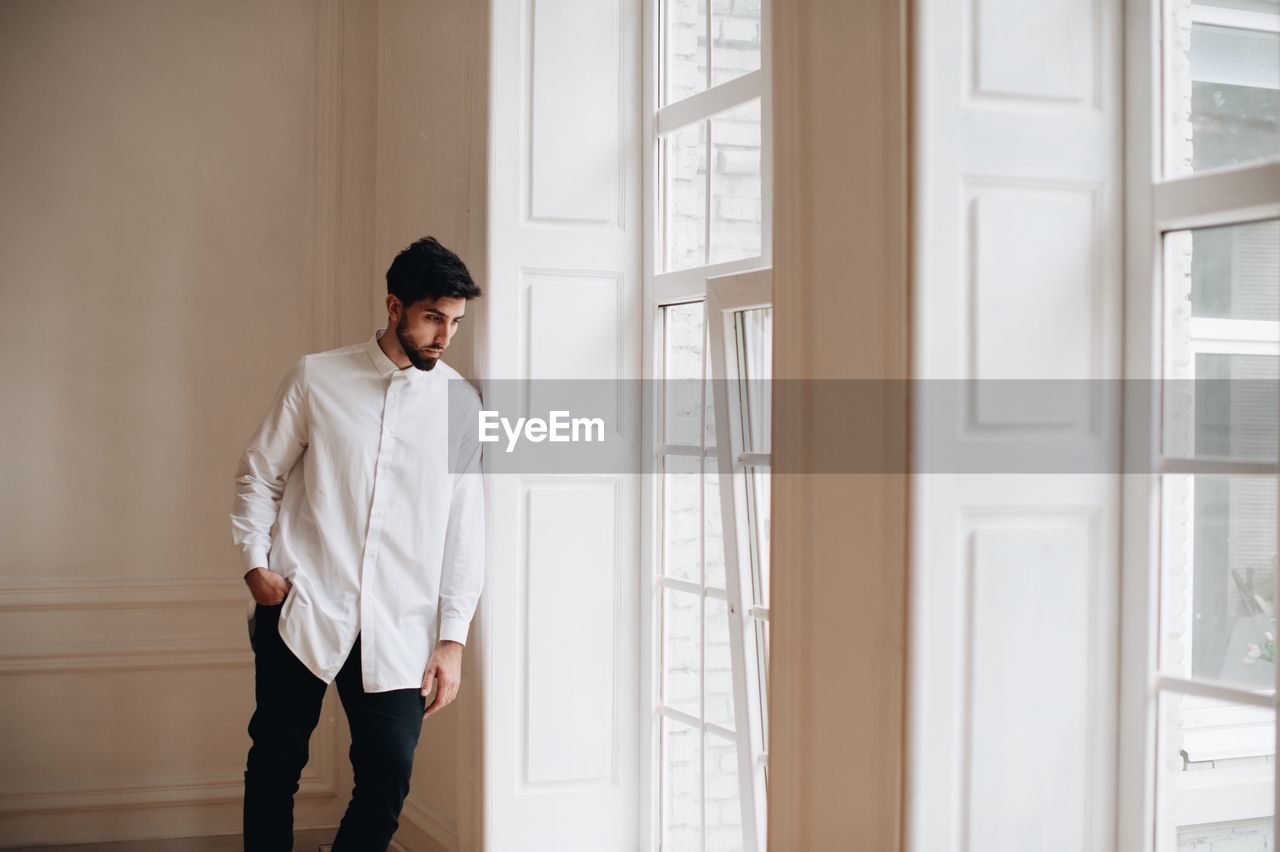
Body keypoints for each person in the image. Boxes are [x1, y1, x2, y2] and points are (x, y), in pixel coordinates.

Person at [230, 236, 486, 851]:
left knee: (389, 773)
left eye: (453, 322)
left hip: (399, 622)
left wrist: (452, 641)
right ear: (394, 306)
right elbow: (258, 474)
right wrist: (255, 566)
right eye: (432, 318)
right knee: (275, 764)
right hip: (303, 605)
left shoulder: (460, 403)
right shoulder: (317, 377)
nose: (443, 337)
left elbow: (465, 526)